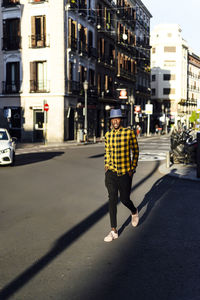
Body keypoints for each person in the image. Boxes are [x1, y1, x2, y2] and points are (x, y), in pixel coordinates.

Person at [104, 108, 139, 242]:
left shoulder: (129, 133)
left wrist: (132, 168)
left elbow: (135, 151)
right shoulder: (108, 135)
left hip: (125, 172)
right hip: (111, 173)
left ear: (121, 120)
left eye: (117, 118)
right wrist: (106, 165)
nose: (115, 121)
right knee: (112, 199)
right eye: (113, 119)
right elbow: (107, 152)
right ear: (111, 121)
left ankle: (134, 211)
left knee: (124, 199)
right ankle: (113, 230)